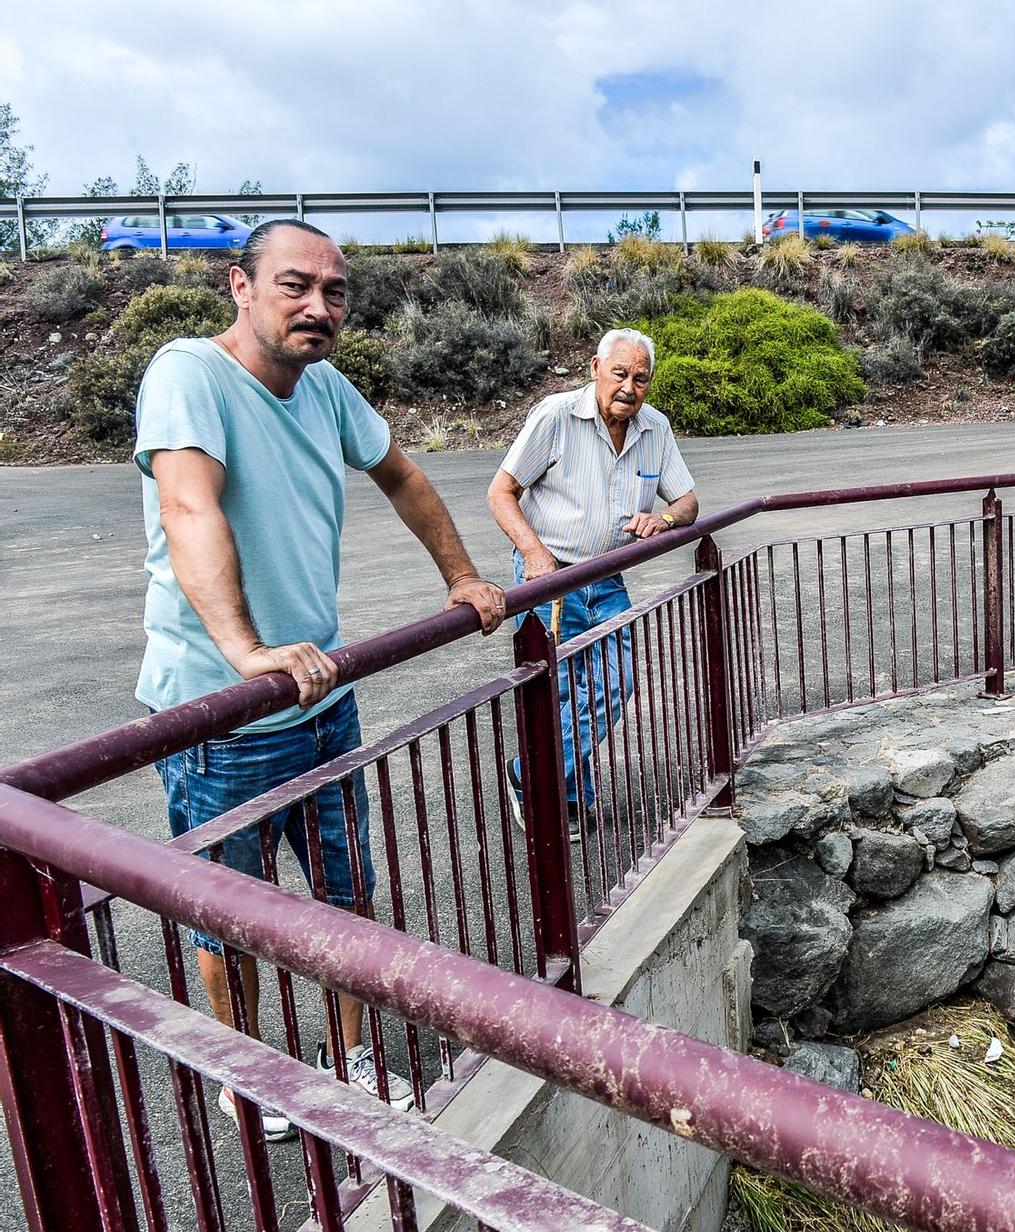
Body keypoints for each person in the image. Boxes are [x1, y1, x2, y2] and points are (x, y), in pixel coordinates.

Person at [136, 218, 507, 1140]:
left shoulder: (328, 388)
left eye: (334, 291)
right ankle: (246, 1070)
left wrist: (461, 576)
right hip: (219, 718)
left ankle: (351, 1057)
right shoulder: (190, 374)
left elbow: (405, 476)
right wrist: (244, 650)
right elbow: (188, 503)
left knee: (346, 895)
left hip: (321, 701)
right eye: (295, 284)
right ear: (240, 285)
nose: (318, 305)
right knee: (229, 917)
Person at [487, 328, 698, 836]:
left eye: (641, 378)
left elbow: (688, 502)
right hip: (551, 575)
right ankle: (569, 796)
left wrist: (665, 520)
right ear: (594, 368)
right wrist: (534, 553)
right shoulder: (557, 415)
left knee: (613, 683)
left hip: (605, 578)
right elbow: (501, 492)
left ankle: (530, 775)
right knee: (561, 691)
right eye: (620, 373)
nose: (629, 386)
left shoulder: (655, 428)